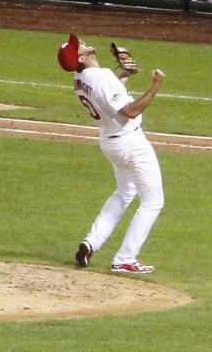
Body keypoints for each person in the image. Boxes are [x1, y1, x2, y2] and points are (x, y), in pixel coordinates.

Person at [58, 33, 165, 275]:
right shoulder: (101, 76)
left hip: (110, 143)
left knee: (125, 192)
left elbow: (107, 97)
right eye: (79, 46)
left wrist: (124, 76)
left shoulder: (80, 78)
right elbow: (129, 111)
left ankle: (91, 243)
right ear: (82, 58)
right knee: (153, 201)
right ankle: (125, 259)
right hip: (131, 143)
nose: (83, 43)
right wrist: (155, 86)